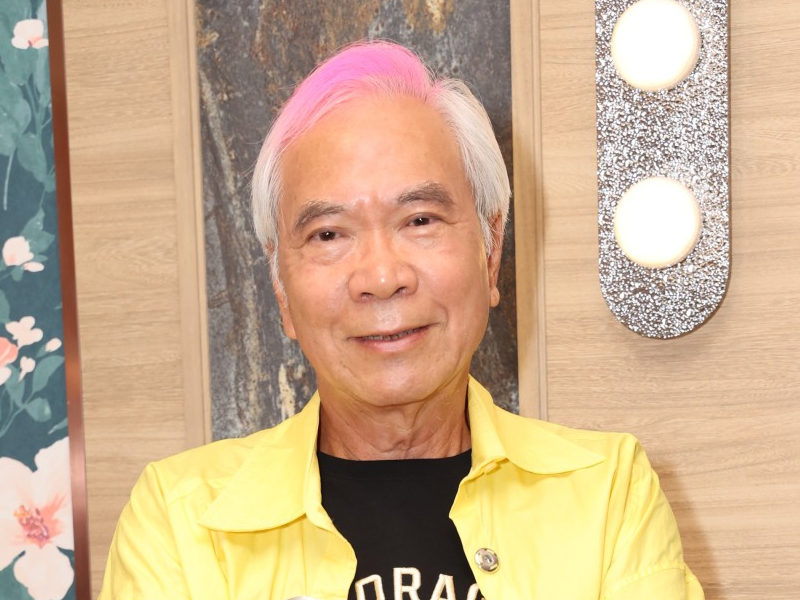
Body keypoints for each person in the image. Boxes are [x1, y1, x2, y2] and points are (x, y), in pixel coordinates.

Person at [99, 40, 704, 600]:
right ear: (280, 286)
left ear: (491, 251)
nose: (382, 276)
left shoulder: (608, 494)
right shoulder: (181, 520)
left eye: (420, 220)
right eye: (328, 234)